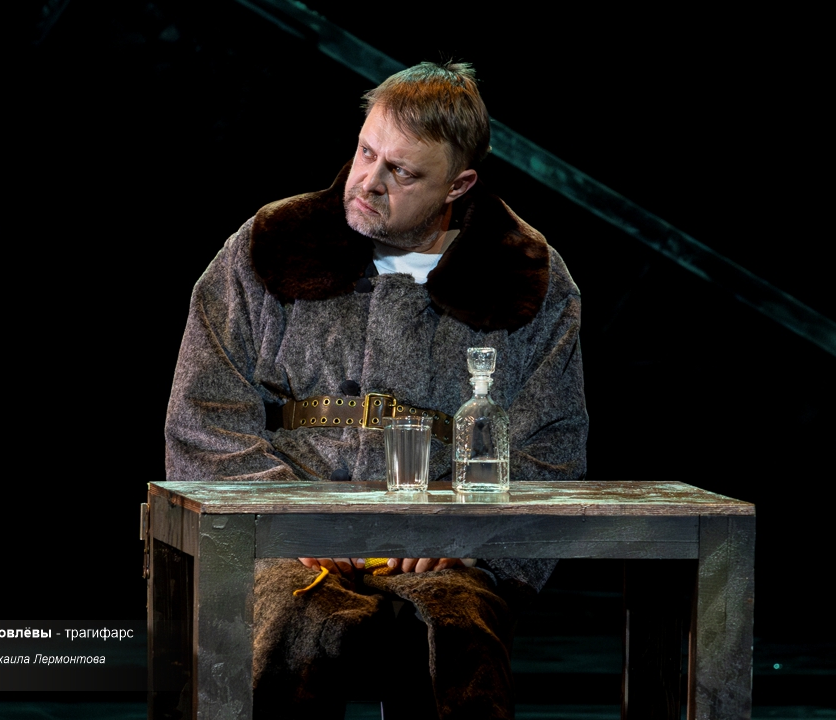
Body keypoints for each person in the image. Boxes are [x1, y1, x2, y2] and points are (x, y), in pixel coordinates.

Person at [165, 62, 587, 719]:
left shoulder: (524, 273)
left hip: (441, 554)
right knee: (293, 627)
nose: (368, 181)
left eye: (402, 172)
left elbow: (551, 445)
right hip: (285, 538)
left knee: (458, 643)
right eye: (366, 152)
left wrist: (466, 531)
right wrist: (287, 515)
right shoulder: (271, 245)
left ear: (458, 184)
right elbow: (204, 415)